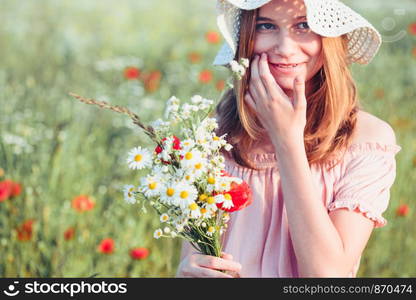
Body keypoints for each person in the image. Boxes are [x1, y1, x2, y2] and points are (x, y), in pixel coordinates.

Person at [176, 0, 401, 278]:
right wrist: (187, 273)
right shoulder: (214, 134)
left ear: (329, 36)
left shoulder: (365, 139)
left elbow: (327, 277)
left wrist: (287, 141)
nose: (284, 48)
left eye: (304, 25)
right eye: (266, 26)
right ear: (246, 36)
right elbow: (195, 256)